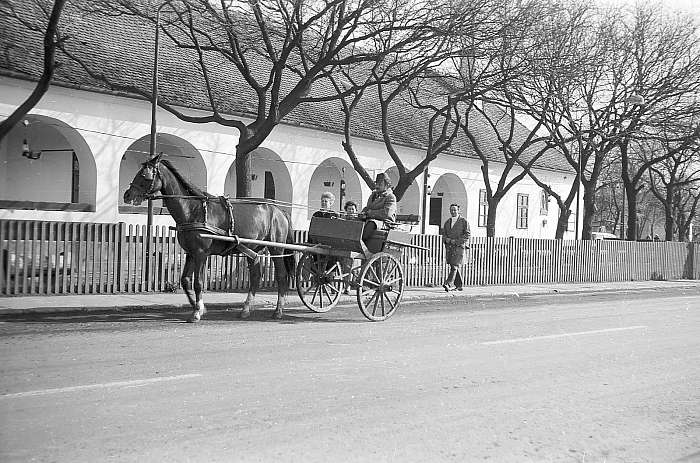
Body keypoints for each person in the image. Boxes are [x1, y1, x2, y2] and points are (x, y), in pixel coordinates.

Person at [360, 173, 397, 241]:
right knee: (356, 222)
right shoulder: (373, 196)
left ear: (387, 185)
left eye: (380, 184)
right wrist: (362, 213)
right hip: (370, 219)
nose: (377, 186)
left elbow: (387, 213)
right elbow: (368, 207)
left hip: (385, 223)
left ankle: (362, 243)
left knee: (371, 224)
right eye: (376, 184)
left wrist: (369, 213)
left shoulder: (390, 197)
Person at [442, 203, 470, 291]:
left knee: (454, 265)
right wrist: (446, 239)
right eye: (451, 210)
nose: (453, 211)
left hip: (459, 247)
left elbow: (467, 234)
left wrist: (457, 241)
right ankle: (459, 285)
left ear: (458, 210)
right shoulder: (447, 222)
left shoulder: (463, 221)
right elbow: (444, 234)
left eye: (454, 210)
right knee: (453, 265)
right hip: (450, 247)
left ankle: (448, 284)